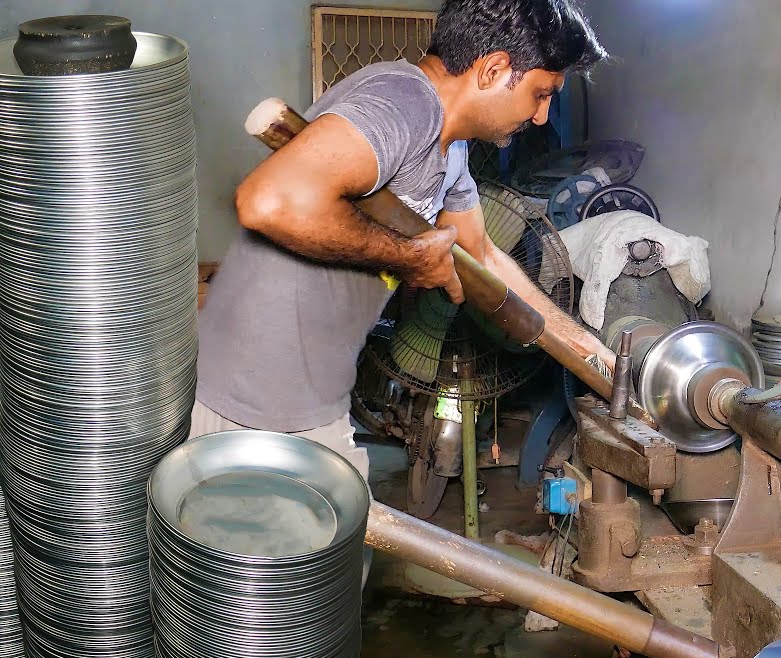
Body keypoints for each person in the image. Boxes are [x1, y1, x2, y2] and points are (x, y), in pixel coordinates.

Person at [192, 0, 610, 566]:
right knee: (261, 623)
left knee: (324, 601)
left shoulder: (450, 147)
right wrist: (409, 258)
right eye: (540, 93)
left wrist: (581, 344)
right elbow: (267, 201)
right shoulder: (404, 101)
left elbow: (479, 253)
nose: (541, 117)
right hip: (254, 400)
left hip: (313, 396)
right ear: (491, 71)